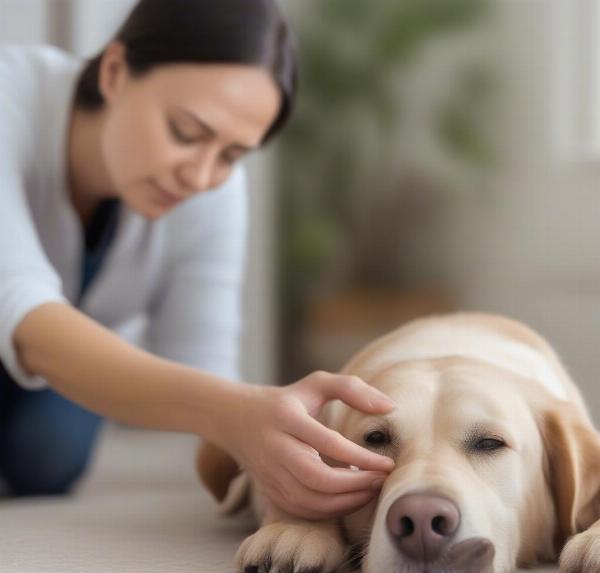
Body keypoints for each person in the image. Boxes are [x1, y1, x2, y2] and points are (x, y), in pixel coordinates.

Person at [0, 0, 395, 518]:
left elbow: (203, 368)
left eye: (232, 155)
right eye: (186, 132)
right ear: (116, 72)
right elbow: (24, 316)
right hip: (35, 338)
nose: (201, 176)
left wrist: (295, 448)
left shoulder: (213, 189)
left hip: (43, 402)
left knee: (51, 450)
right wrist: (235, 411)